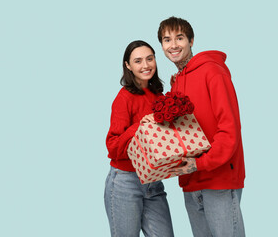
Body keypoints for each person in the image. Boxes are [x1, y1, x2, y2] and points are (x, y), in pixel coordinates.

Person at [156, 16, 246, 237]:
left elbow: (229, 131)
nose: (173, 45)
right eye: (167, 40)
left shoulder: (213, 72)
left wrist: (201, 163)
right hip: (191, 181)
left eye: (179, 38)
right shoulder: (177, 81)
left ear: (191, 41)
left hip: (219, 180)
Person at [104, 40, 174, 237]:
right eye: (138, 61)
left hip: (154, 181)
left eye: (150, 59)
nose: (145, 65)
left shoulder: (158, 95)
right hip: (125, 183)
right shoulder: (124, 98)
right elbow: (113, 147)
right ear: (128, 66)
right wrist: (140, 126)